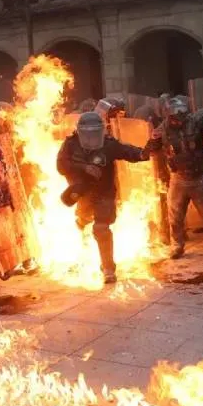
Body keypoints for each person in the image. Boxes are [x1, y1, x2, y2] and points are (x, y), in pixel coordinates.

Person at [57, 111, 153, 284]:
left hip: (104, 193)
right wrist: (84, 167)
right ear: (80, 132)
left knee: (101, 229)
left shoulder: (108, 145)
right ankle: (82, 259)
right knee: (82, 225)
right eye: (88, 133)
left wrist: (143, 153)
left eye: (95, 133)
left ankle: (108, 268)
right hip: (81, 194)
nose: (92, 137)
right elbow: (61, 165)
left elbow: (127, 151)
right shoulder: (70, 144)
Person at [146, 97, 203, 260]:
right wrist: (152, 140)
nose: (180, 118)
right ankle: (177, 245)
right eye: (176, 116)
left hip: (199, 176)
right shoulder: (163, 128)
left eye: (182, 114)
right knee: (175, 215)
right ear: (168, 116)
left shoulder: (195, 122)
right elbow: (152, 149)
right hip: (178, 178)